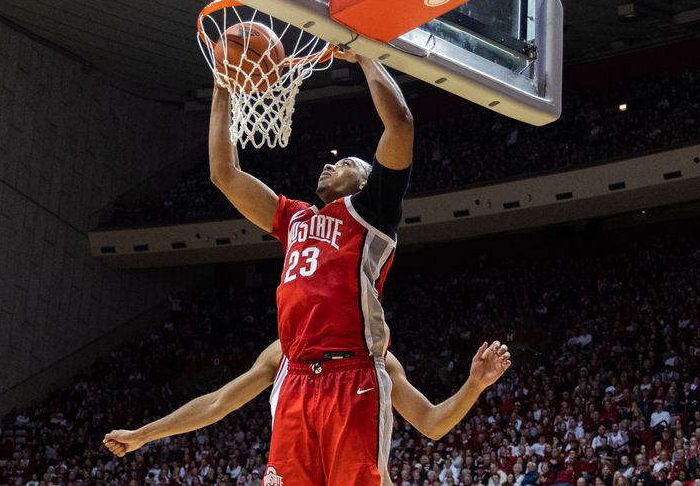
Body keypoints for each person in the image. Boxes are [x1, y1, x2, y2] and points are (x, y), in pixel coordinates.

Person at [208, 49, 414, 484]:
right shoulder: (294, 217)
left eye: (343, 164)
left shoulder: (372, 211)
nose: (328, 164)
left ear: (364, 180)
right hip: (297, 375)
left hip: (351, 372)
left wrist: (364, 57)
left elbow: (400, 124)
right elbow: (224, 173)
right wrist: (222, 85)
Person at [103, 340, 511, 466]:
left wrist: (474, 385)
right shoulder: (284, 352)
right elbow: (216, 403)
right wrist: (144, 435)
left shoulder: (379, 360)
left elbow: (432, 423)